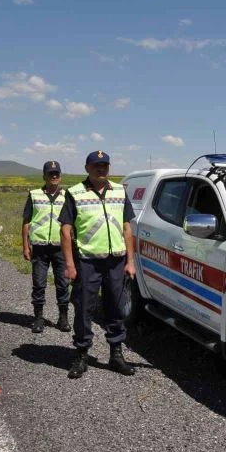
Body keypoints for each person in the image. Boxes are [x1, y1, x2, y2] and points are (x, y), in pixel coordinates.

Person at [59, 150, 137, 379]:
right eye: (96, 166)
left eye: (105, 165)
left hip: (116, 261)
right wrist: (69, 265)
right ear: (87, 168)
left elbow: (127, 228)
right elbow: (65, 231)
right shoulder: (75, 193)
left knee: (116, 307)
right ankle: (81, 355)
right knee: (84, 308)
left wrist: (131, 262)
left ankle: (116, 355)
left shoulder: (120, 191)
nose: (101, 169)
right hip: (87, 262)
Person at [22, 160, 71, 333]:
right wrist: (25, 246)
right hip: (39, 248)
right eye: (50, 174)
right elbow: (26, 221)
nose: (54, 176)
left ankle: (63, 318)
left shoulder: (67, 196)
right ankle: (38, 318)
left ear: (60, 176)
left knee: (63, 284)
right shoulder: (34, 195)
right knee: (39, 284)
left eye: (56, 173)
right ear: (44, 176)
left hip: (61, 248)